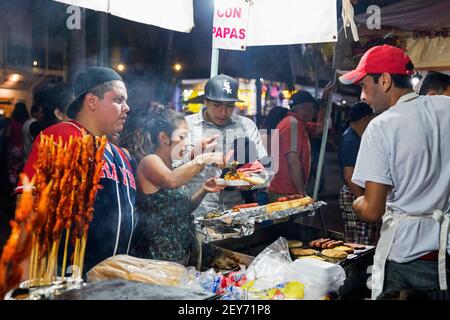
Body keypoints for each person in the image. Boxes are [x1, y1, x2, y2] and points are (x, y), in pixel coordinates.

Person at [339, 44, 450, 300]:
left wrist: (357, 202)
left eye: (364, 86)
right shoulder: (445, 108)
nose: (363, 97)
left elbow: (372, 210)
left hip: (405, 255)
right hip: (444, 251)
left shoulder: (381, 126)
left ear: (385, 80)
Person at [17, 67, 135, 274]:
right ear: (91, 101)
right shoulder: (63, 135)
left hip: (113, 281)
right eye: (118, 100)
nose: (127, 108)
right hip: (69, 277)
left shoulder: (119, 154)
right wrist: (27, 278)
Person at [120, 106, 225, 265]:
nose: (186, 143)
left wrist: (204, 189)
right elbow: (171, 180)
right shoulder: (150, 161)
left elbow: (183, 209)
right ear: (164, 138)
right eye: (182, 137)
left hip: (180, 254)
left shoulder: (171, 166)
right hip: (156, 259)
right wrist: (203, 158)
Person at [184, 74, 269, 218]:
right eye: (216, 105)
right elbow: (172, 171)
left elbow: (264, 170)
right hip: (197, 212)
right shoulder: (187, 126)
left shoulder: (246, 126)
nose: (223, 112)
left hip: (236, 212)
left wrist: (250, 182)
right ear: (205, 101)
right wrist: (194, 156)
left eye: (230, 106)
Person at [337, 101, 377, 245]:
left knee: (360, 236)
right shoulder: (350, 140)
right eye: (372, 118)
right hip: (353, 192)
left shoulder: (354, 136)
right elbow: (349, 175)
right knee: (360, 239)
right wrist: (364, 200)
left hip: (356, 193)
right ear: (366, 117)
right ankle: (357, 267)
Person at [267, 90, 318, 202]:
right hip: (284, 192)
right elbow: (293, 161)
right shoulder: (292, 125)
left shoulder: (293, 123)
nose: (314, 113)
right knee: (287, 220)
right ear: (306, 108)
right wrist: (301, 193)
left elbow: (320, 127)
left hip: (282, 189)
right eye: (313, 109)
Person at [7, 102, 29, 186]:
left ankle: (13, 189)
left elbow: (7, 135)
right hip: (23, 149)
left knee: (13, 171)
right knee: (22, 170)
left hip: (13, 149)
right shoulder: (27, 123)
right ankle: (20, 189)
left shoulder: (12, 122)